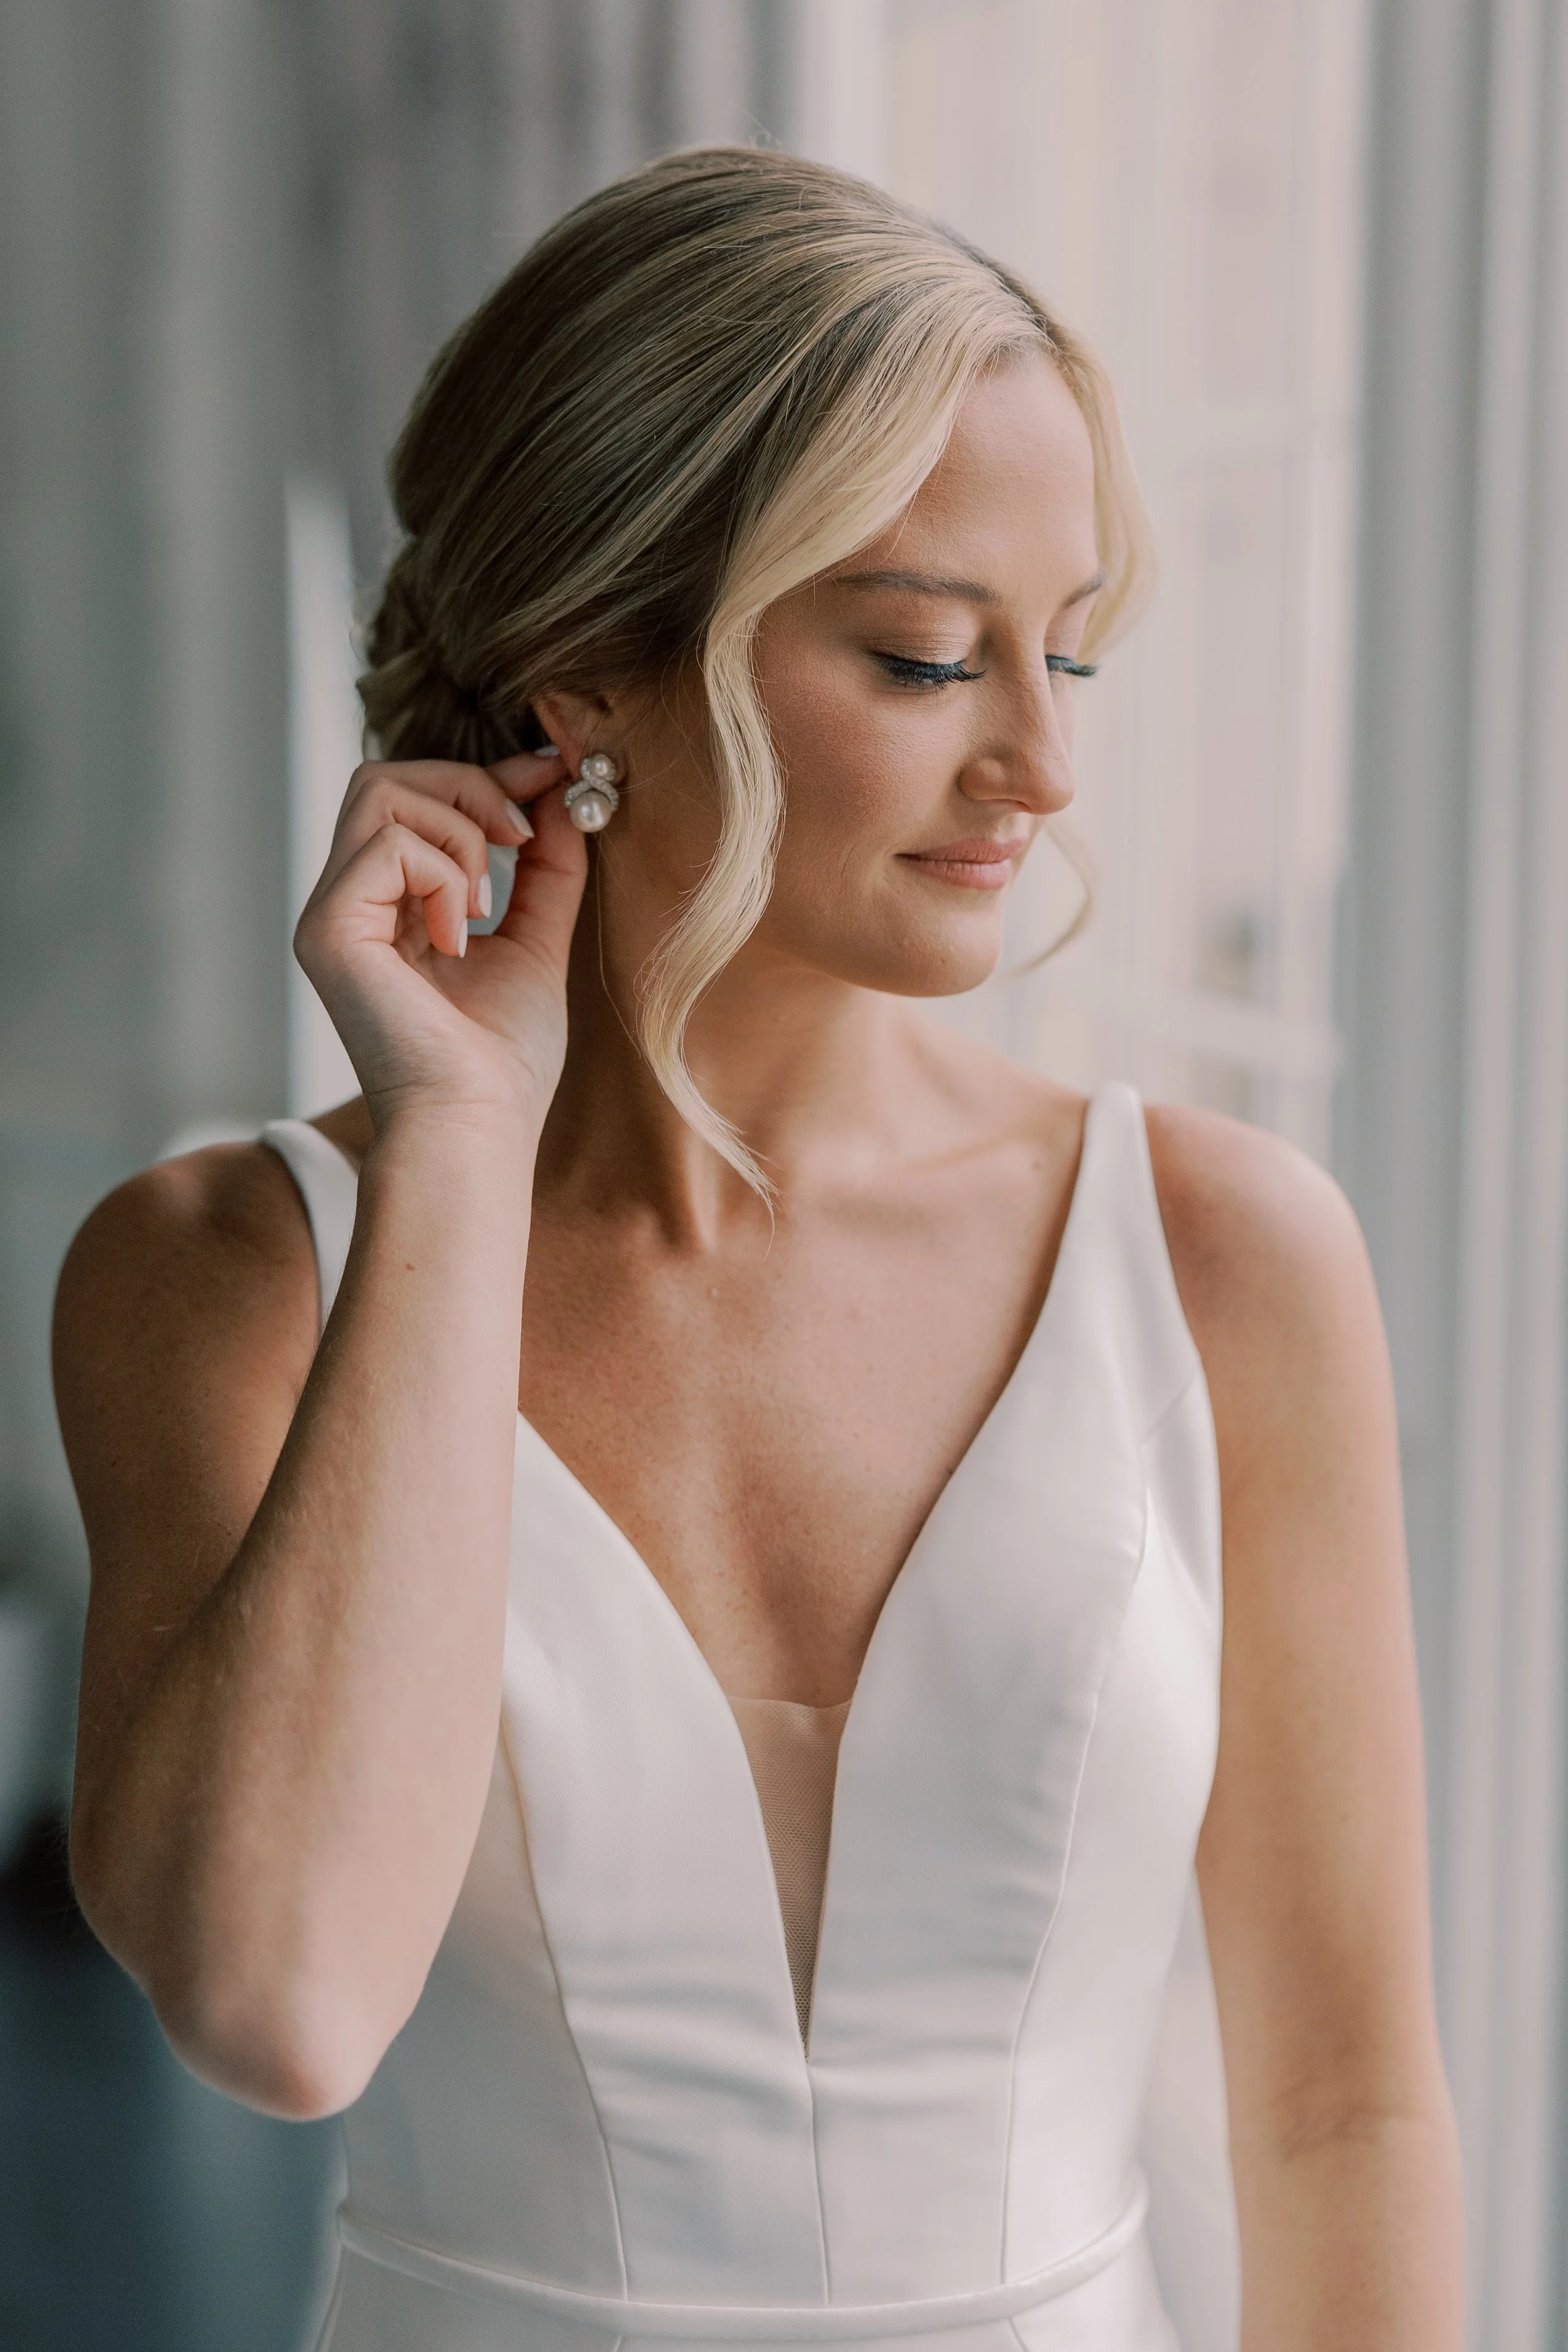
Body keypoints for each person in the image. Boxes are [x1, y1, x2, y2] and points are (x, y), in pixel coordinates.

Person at [53, 148, 1461, 2350]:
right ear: (579, 675)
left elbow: (1339, 2108)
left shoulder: (1219, 1255)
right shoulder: (224, 1266)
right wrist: (450, 1146)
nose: (1042, 767)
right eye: (924, 654)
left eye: (1067, 648)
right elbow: (282, 2000)